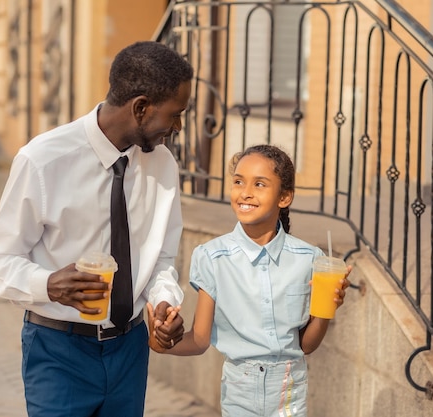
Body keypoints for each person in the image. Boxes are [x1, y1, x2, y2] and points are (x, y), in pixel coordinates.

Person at [0, 41, 193, 417]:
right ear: (141, 108)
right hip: (58, 351)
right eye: (175, 115)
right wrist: (48, 283)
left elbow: (161, 258)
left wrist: (163, 303)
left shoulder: (163, 166)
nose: (177, 127)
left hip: (130, 350)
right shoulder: (43, 160)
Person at [147, 144, 352, 416]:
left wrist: (327, 310)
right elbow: (199, 340)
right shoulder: (212, 257)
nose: (245, 192)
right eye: (238, 181)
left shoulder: (309, 259)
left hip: (290, 389)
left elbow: (306, 345)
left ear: (285, 197)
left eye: (259, 184)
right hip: (238, 390)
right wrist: (160, 344)